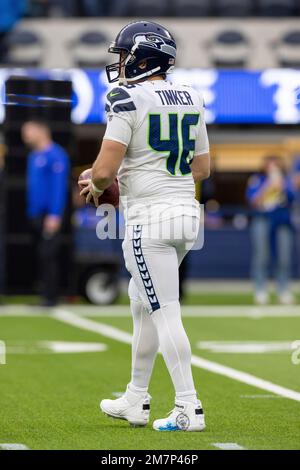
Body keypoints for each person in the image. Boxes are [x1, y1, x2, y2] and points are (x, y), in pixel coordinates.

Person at [79, 21, 210, 431]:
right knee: (143, 304)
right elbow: (201, 168)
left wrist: (97, 181)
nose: (118, 63)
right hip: (187, 216)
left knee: (164, 311)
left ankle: (189, 405)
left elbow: (103, 170)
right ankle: (136, 397)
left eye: (123, 55)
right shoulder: (192, 96)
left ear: (141, 56)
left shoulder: (125, 97)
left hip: (149, 220)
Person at [22, 119, 70, 306]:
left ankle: (51, 297)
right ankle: (43, 293)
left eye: (29, 131)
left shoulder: (56, 155)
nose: (25, 136)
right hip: (35, 214)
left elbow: (59, 188)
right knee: (39, 255)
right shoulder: (33, 156)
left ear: (41, 131)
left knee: (48, 255)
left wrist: (55, 214)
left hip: (49, 215)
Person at [246, 156, 295, 305]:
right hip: (262, 219)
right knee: (261, 255)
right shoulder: (257, 180)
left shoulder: (286, 180)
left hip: (282, 221)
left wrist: (282, 187)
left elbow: (292, 198)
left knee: (284, 257)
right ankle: (260, 290)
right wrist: (267, 186)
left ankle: (283, 290)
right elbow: (253, 201)